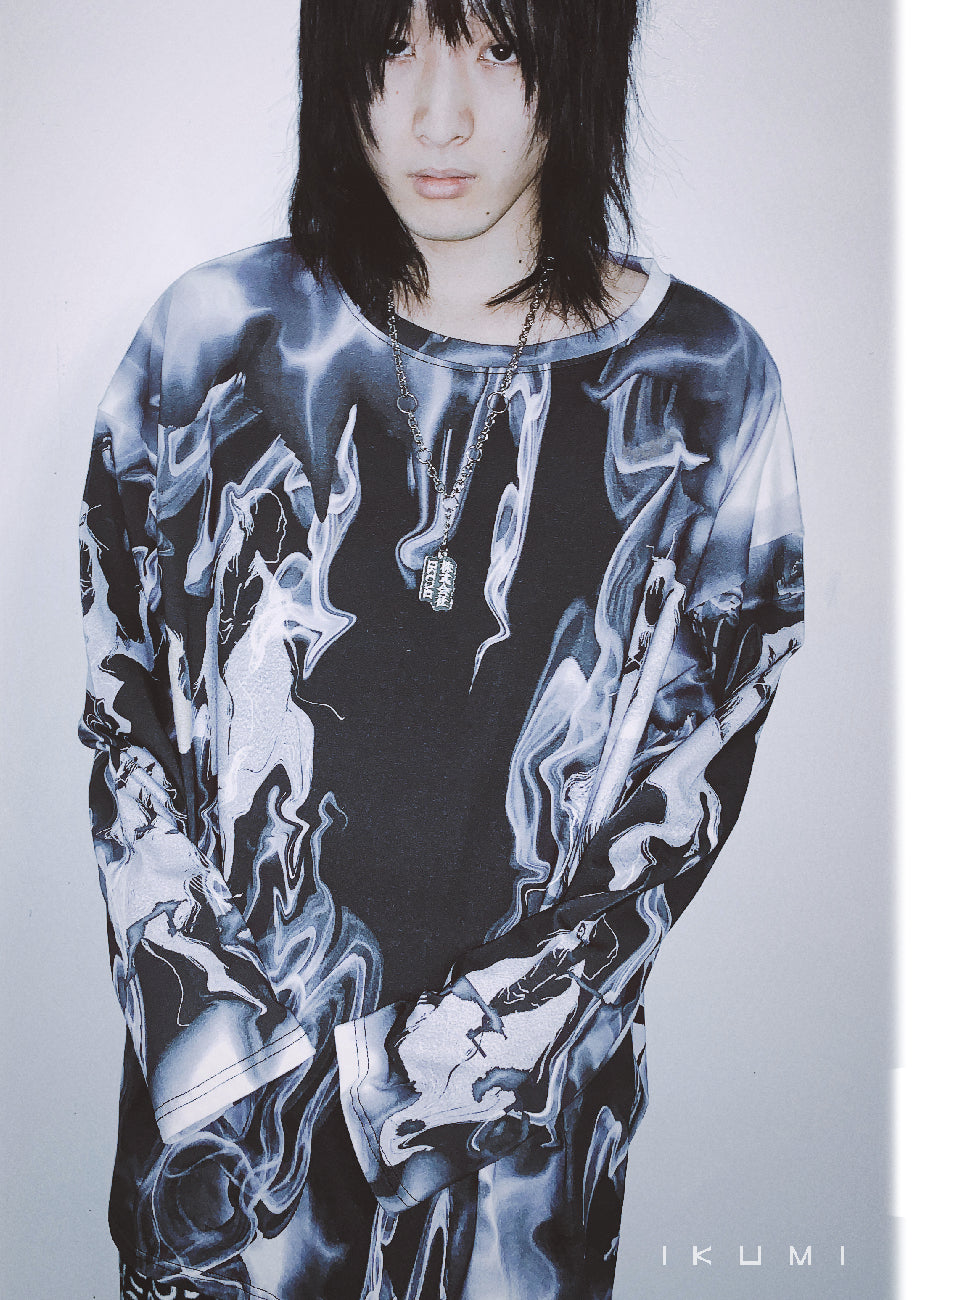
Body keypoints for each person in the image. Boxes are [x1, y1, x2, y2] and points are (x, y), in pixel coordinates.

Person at [77, 1, 805, 1297]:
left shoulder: (703, 391)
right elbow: (125, 729)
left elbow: (672, 813)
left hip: (509, 1189)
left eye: (497, 46)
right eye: (394, 46)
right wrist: (235, 1073)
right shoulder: (213, 343)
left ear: (581, 56)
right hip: (225, 1180)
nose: (439, 115)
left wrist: (411, 1085)